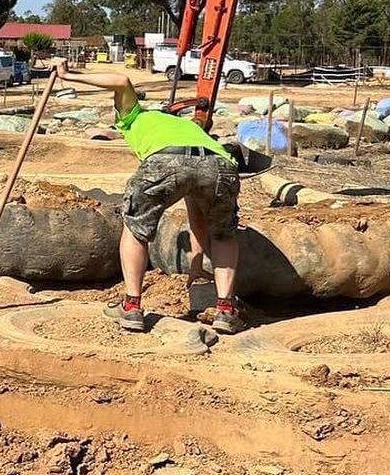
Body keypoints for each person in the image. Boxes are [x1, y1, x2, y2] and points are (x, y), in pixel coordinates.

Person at [52, 68, 245, 335]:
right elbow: (196, 211)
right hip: (218, 164)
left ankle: (131, 307)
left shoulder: (134, 118)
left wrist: (67, 75)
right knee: (223, 234)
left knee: (135, 229)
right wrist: (196, 263)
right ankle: (225, 310)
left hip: (165, 159)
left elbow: (120, 81)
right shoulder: (187, 127)